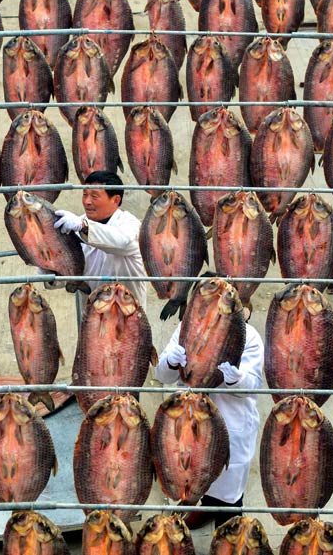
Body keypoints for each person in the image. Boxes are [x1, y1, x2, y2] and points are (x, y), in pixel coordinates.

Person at [153, 319, 265, 529]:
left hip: (231, 426)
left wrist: (237, 379)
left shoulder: (249, 336)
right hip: (188, 427)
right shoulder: (185, 328)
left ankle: (227, 531)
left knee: (228, 496)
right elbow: (160, 374)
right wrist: (170, 361)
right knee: (194, 474)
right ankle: (206, 507)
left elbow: (254, 384)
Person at [50, 171, 148, 308]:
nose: (87, 201)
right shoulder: (77, 224)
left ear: (115, 200)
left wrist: (84, 227)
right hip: (92, 316)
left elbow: (121, 242)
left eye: (94, 196)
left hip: (127, 315)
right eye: (85, 195)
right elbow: (68, 274)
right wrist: (49, 267)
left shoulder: (130, 224)